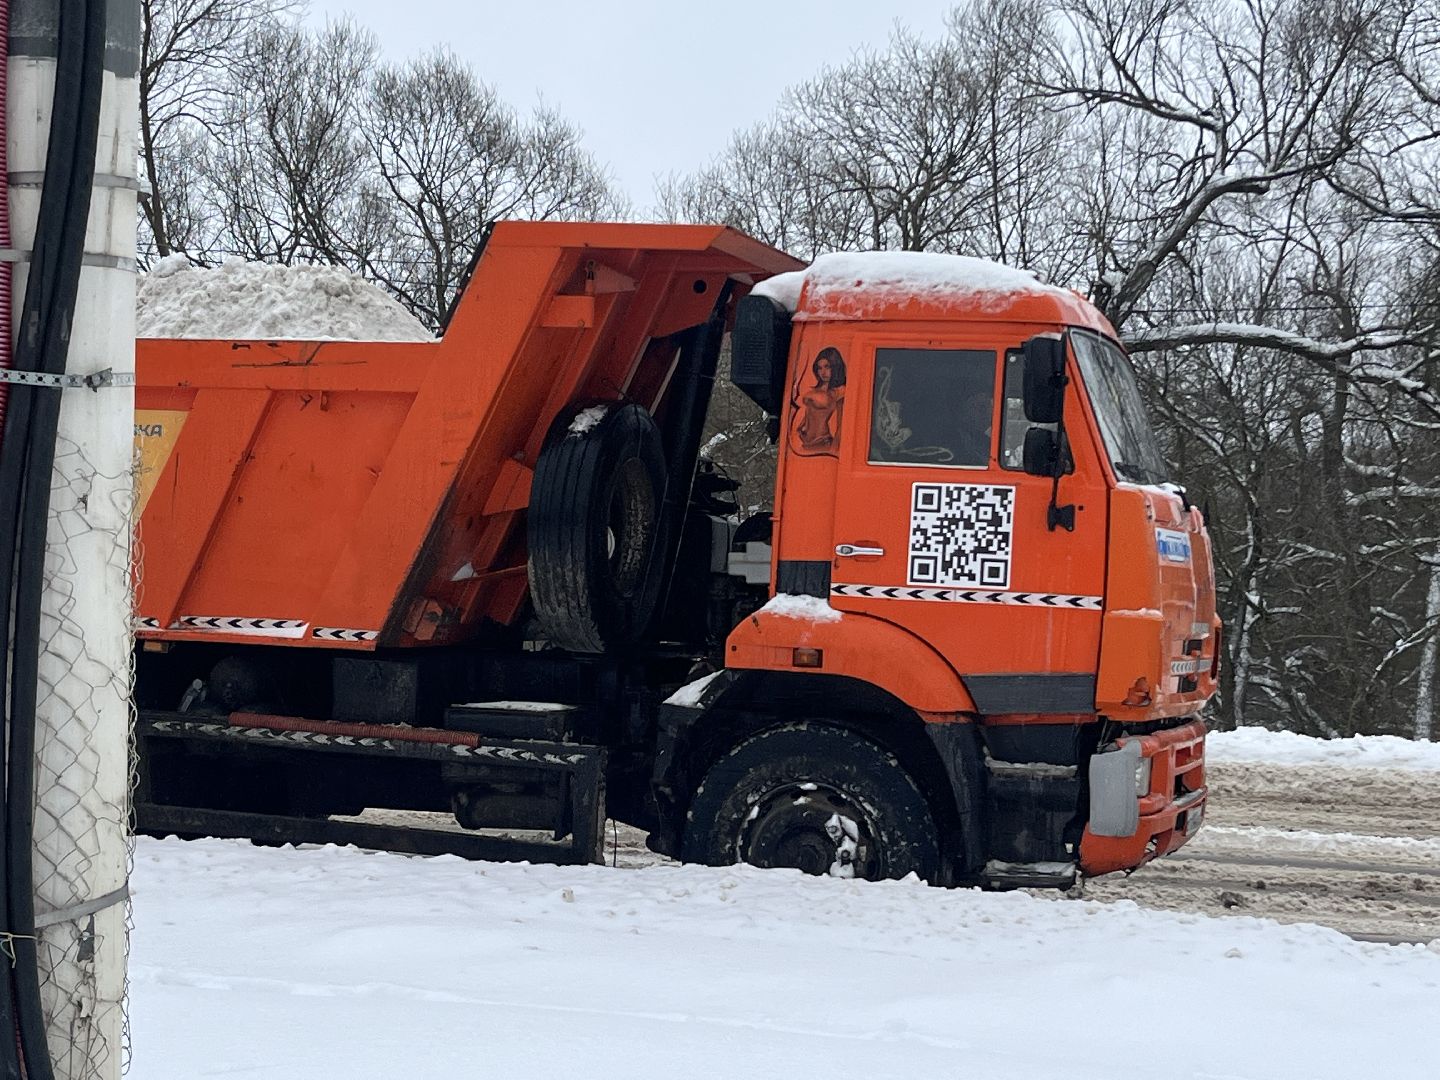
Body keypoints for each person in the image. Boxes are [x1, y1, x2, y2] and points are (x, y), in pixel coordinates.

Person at [792, 347, 846, 455]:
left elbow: (841, 425)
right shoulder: (816, 389)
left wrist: (834, 449)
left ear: (835, 367)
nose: (823, 372)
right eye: (819, 368)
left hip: (822, 442)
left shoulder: (840, 391)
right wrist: (800, 427)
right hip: (805, 441)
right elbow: (810, 411)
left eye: (827, 367)